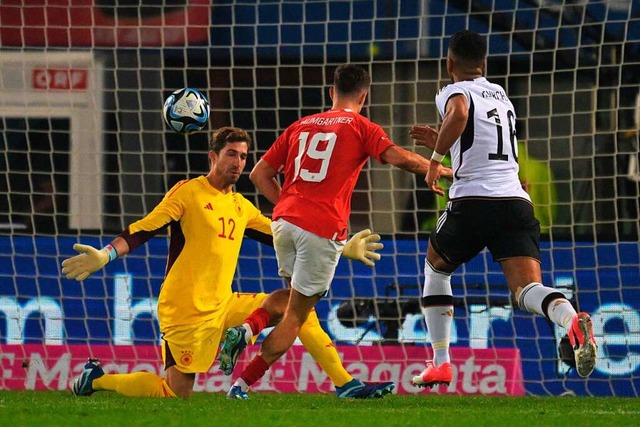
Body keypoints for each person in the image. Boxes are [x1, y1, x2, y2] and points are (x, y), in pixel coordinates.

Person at [62, 126, 393, 399]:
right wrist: (106, 254)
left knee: (295, 306)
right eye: (231, 154)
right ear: (213, 157)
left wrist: (339, 247)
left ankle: (345, 384)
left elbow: (285, 234)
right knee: (175, 393)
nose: (238, 162)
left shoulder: (240, 205)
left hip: (223, 304)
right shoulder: (188, 193)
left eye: (244, 156)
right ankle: (97, 379)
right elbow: (144, 228)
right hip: (184, 309)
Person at [220, 64, 453, 399]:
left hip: (283, 223)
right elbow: (397, 157)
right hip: (321, 226)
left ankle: (250, 328)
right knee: (296, 318)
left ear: (332, 92)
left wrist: (288, 204)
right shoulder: (360, 126)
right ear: (364, 95)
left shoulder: (300, 125)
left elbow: (259, 174)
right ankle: (242, 377)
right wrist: (439, 169)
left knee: (290, 301)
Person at [409, 30, 597, 388]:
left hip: (473, 201)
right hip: (515, 201)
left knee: (436, 266)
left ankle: (441, 363)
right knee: (527, 290)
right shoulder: (502, 96)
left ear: (449, 63)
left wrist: (434, 160)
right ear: (484, 63)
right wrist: (448, 145)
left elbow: (461, 112)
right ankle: (571, 321)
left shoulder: (453, 91)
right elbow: (480, 141)